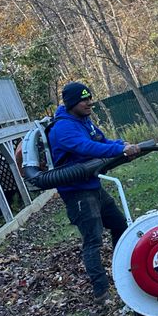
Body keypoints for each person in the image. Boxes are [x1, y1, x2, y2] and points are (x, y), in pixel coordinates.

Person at [49, 81, 141, 303]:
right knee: (93, 241)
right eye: (84, 99)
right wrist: (120, 150)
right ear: (72, 102)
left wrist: (122, 144)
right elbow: (86, 147)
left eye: (89, 97)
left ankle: (126, 271)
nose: (90, 102)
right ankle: (101, 292)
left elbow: (101, 141)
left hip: (93, 186)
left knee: (120, 226)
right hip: (77, 193)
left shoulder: (84, 120)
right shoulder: (63, 128)